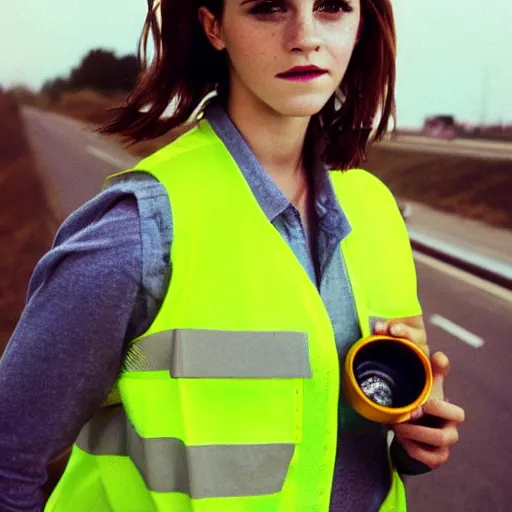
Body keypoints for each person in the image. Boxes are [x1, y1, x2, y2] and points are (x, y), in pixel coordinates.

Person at [0, 0, 465, 511]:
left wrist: (412, 439)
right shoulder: (138, 231)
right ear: (214, 26)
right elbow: (8, 462)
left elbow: (342, 444)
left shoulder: (376, 211)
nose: (305, 36)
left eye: (333, 7)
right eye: (269, 8)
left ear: (361, 27)